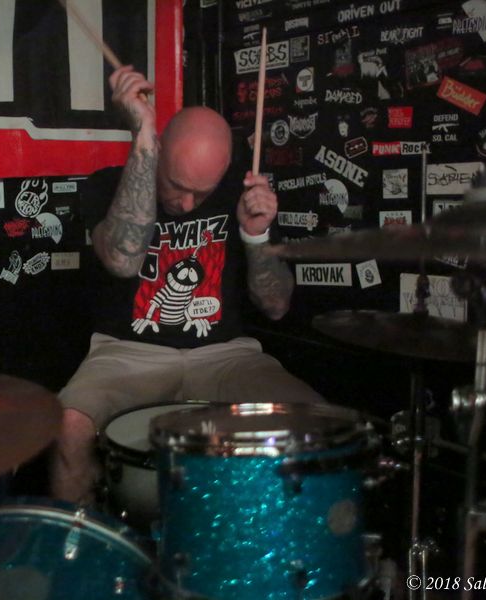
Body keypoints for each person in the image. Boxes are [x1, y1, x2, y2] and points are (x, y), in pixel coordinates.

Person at [50, 65, 325, 504]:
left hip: (226, 355)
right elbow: (122, 260)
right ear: (159, 150)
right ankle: (84, 542)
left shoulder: (241, 194)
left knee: (321, 422)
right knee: (69, 427)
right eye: (177, 186)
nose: (186, 203)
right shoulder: (109, 184)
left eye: (202, 192)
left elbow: (275, 305)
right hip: (129, 354)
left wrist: (255, 235)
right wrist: (142, 134)